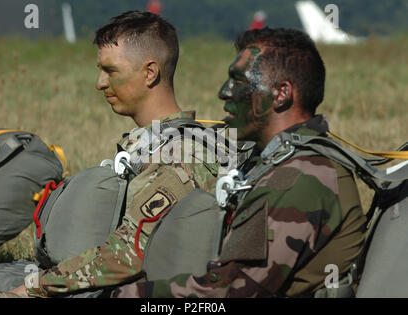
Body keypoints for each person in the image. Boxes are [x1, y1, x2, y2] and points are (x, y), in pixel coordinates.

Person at [0, 10, 235, 298]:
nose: (100, 83)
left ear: (149, 72)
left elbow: (128, 256)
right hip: (119, 280)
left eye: (111, 71)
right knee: (4, 272)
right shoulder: (153, 144)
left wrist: (33, 289)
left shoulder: (183, 154)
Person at [111, 27, 367, 298]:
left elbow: (231, 292)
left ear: (281, 94)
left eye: (239, 81)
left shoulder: (299, 178)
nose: (224, 92)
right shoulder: (276, 164)